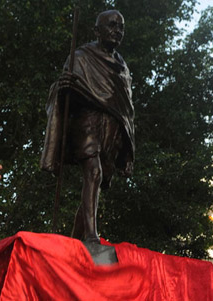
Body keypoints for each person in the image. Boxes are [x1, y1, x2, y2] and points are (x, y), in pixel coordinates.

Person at [40, 10, 135, 244]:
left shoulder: (122, 68)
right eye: (112, 26)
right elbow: (66, 88)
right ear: (97, 30)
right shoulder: (81, 56)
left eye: (120, 27)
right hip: (88, 123)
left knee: (98, 183)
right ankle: (91, 238)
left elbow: (127, 110)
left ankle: (76, 239)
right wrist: (63, 87)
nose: (117, 31)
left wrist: (128, 149)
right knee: (93, 173)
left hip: (111, 128)